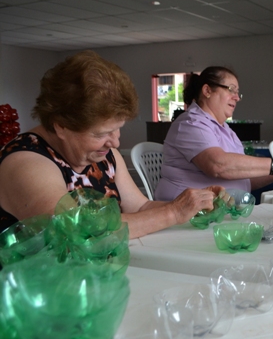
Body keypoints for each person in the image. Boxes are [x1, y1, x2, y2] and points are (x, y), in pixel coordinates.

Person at [0, 51, 225, 239]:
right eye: (102, 133)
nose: (115, 142)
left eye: (118, 129)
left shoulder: (104, 155)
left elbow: (140, 208)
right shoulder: (25, 161)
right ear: (61, 126)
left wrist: (193, 204)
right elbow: (77, 230)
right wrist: (173, 213)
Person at [154, 66, 273, 201]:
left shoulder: (225, 130)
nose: (237, 97)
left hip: (220, 210)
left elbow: (244, 179)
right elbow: (217, 165)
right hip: (186, 212)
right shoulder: (191, 123)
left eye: (237, 92)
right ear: (207, 91)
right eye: (231, 89)